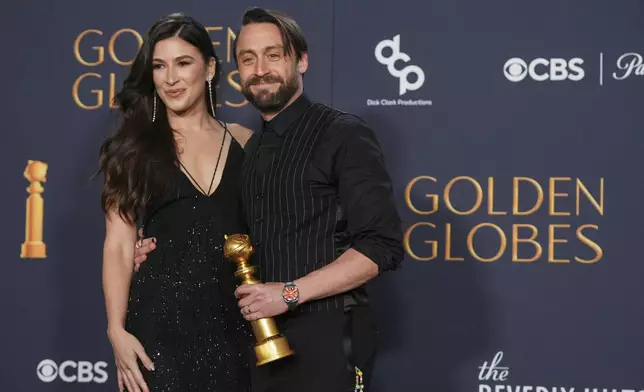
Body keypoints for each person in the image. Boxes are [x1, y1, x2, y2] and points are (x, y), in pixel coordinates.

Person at [135, 7, 404, 391]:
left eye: (273, 55)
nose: (260, 68)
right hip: (258, 343)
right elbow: (220, 228)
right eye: (248, 58)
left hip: (329, 334)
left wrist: (290, 293)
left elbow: (382, 246)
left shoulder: (342, 134)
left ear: (302, 60)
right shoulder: (249, 147)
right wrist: (146, 247)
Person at [98, 13, 254, 392]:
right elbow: (119, 244)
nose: (170, 79)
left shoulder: (245, 142)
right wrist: (116, 330)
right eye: (159, 66)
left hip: (235, 323)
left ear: (210, 68)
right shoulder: (133, 149)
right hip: (159, 327)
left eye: (183, 63)